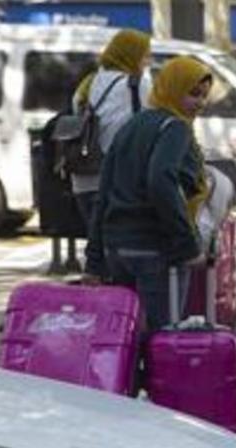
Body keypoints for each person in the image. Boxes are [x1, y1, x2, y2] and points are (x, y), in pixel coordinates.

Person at [86, 56, 212, 332]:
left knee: (123, 338)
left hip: (117, 249)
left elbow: (104, 191)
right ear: (174, 89)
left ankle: (129, 377)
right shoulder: (175, 128)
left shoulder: (132, 125)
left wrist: (94, 261)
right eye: (193, 94)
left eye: (204, 96)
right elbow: (160, 182)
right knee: (161, 339)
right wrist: (188, 246)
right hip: (156, 249)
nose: (200, 103)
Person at [75, 29, 153, 276]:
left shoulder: (87, 83)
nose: (147, 61)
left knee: (99, 256)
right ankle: (122, 311)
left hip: (83, 180)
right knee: (122, 263)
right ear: (131, 56)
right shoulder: (138, 85)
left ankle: (106, 308)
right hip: (118, 184)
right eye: (145, 56)